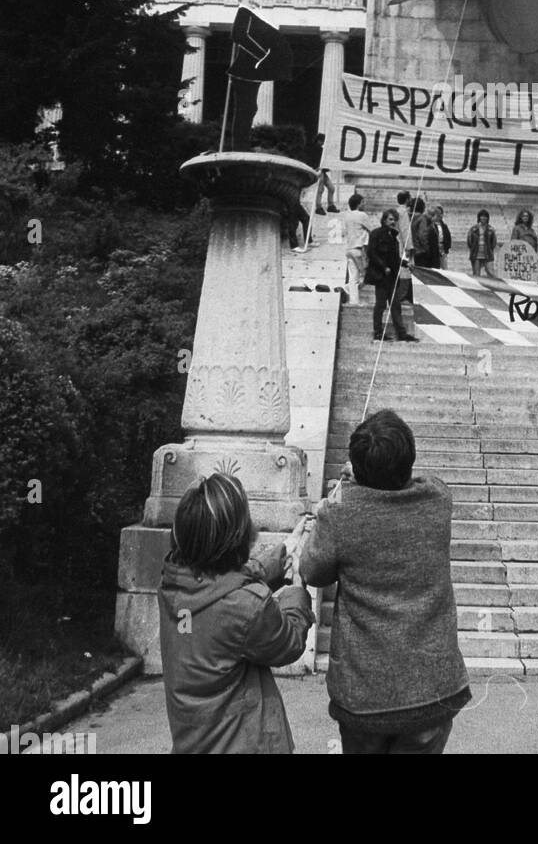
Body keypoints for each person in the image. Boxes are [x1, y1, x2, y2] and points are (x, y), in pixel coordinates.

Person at [300, 410, 471, 754]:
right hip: (432, 688)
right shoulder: (438, 499)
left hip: (364, 694)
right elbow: (416, 479)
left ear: (357, 467)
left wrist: (343, 491)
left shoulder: (341, 512)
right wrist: (366, 473)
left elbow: (312, 571)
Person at [158, 473, 314, 755]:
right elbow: (288, 642)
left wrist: (283, 552)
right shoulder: (246, 606)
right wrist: (298, 587)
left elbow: (222, 581)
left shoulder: (172, 585)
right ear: (238, 536)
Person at [366, 209, 417, 342]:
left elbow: (395, 258)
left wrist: (406, 264)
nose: (393, 222)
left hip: (393, 277)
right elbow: (371, 253)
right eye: (390, 219)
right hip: (381, 276)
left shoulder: (394, 236)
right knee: (380, 305)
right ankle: (377, 332)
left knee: (395, 305)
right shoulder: (376, 233)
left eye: (394, 219)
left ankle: (401, 333)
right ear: (384, 220)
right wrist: (383, 267)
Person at [342, 193, 372, 306]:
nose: (364, 204)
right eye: (363, 202)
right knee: (365, 275)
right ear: (359, 204)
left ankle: (352, 298)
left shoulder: (347, 216)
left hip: (349, 249)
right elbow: (371, 229)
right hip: (358, 250)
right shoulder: (362, 215)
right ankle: (349, 291)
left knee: (353, 276)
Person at [312, 133, 339, 214]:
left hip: (322, 171)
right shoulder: (314, 149)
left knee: (331, 188)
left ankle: (330, 206)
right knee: (320, 189)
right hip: (318, 171)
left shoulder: (321, 150)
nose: (323, 142)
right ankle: (318, 207)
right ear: (318, 140)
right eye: (322, 141)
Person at [466, 209, 497, 276]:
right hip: (476, 254)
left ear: (488, 218)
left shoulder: (491, 229)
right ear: (479, 217)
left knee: (491, 273)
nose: (483, 218)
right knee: (476, 274)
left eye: (485, 216)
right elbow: (469, 241)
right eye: (482, 216)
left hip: (488, 254)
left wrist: (489, 249)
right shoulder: (473, 229)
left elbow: (493, 242)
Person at [410, 197, 438, 268]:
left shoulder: (410, 218)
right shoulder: (422, 219)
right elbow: (422, 235)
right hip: (421, 251)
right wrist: (427, 249)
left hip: (414, 250)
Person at [429, 205, 452, 270]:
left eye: (441, 214)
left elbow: (448, 237)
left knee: (445, 268)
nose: (440, 215)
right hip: (434, 250)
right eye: (438, 214)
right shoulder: (432, 225)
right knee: (435, 268)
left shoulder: (444, 226)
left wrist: (447, 249)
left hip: (443, 250)